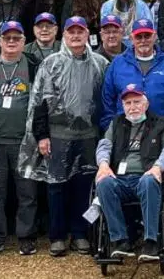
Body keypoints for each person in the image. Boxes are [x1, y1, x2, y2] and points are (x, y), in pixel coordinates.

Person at [18, 15, 108, 257]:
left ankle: (80, 233)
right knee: (56, 186)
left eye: (80, 31)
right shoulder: (51, 64)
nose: (76, 36)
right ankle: (57, 235)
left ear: (87, 34)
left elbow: (105, 101)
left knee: (84, 185)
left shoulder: (100, 63)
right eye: (71, 31)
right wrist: (42, 135)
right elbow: (38, 103)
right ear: (64, 35)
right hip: (58, 135)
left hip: (88, 135)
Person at [95, 83, 164, 263]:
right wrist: (103, 165)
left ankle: (151, 241)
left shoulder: (159, 124)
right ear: (123, 106)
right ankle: (120, 240)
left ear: (146, 105)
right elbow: (104, 146)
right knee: (103, 183)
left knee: (149, 181)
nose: (132, 107)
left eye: (137, 102)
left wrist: (157, 167)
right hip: (120, 178)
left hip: (146, 176)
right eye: (128, 103)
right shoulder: (116, 123)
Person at [0, 20, 40, 257]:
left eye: (17, 38)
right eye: (7, 38)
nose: (12, 42)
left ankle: (26, 236)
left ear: (24, 41)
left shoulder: (34, 65)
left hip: (24, 141)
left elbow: (42, 102)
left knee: (27, 192)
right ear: (0, 41)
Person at [100, 19, 164, 133]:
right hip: (124, 130)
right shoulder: (118, 63)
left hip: (160, 130)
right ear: (131, 38)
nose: (143, 40)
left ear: (154, 36)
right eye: (139, 37)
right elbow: (107, 98)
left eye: (147, 36)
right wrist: (109, 126)